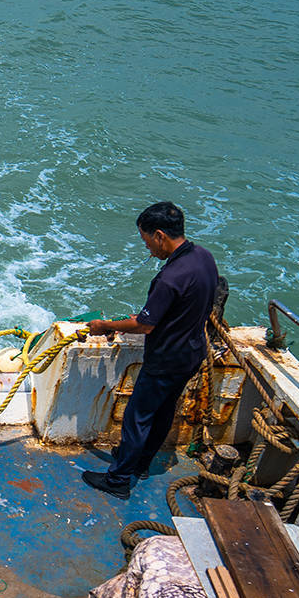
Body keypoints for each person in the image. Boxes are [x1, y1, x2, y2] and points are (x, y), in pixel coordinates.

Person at [82, 203, 218, 500]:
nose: (147, 248)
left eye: (146, 241)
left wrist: (105, 325)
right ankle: (141, 464)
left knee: (138, 416)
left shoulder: (170, 278)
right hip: (192, 353)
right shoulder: (204, 258)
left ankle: (118, 480)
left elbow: (145, 325)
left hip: (165, 359)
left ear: (159, 235)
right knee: (163, 412)